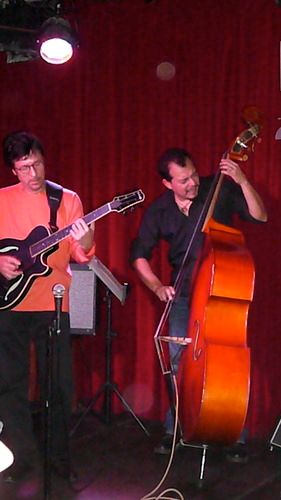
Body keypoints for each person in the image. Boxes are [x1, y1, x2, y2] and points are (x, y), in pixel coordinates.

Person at [130, 147, 267, 455]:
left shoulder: (218, 189)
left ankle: (233, 433)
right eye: (183, 180)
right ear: (167, 184)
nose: (192, 183)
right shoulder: (160, 210)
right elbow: (139, 255)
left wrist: (243, 181)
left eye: (193, 174)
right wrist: (156, 287)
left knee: (228, 364)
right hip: (183, 295)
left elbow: (260, 216)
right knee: (180, 361)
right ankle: (176, 427)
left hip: (224, 290)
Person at [0, 131, 96, 482]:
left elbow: (81, 253)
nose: (33, 173)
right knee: (9, 385)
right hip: (8, 304)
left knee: (57, 386)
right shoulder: (1, 200)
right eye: (24, 167)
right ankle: (21, 458)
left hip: (52, 301)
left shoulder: (66, 199)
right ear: (14, 170)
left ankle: (59, 463)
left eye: (37, 163)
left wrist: (86, 238)